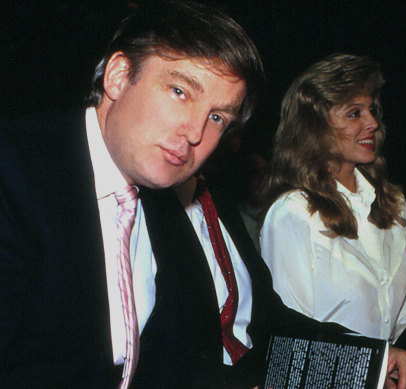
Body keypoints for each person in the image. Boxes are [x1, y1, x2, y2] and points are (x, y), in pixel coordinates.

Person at [0, 1, 263, 387]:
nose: (195, 133)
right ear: (119, 76)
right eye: (180, 92)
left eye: (218, 118)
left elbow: (154, 363)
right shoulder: (15, 173)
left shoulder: (161, 201)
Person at [260, 53, 406, 387]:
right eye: (354, 113)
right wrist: (372, 370)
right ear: (315, 125)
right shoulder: (292, 214)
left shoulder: (393, 204)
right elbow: (289, 344)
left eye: (371, 110)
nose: (372, 124)